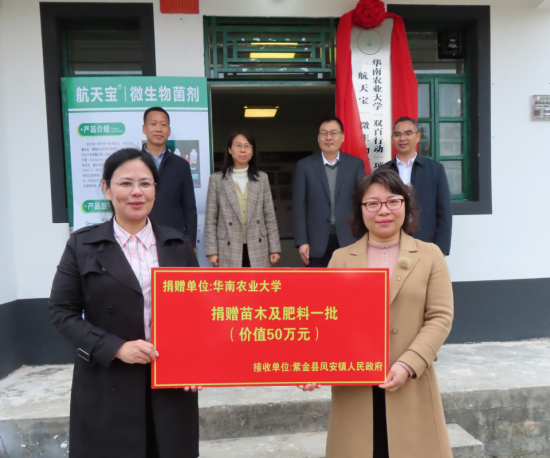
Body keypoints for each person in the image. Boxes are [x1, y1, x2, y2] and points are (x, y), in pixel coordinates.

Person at [50, 148, 201, 458]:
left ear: (155, 191)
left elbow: (198, 312)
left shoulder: (177, 245)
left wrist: (196, 364)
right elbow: (62, 312)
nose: (136, 192)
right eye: (125, 183)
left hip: (170, 383)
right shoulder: (83, 245)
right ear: (107, 188)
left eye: (146, 183)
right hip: (108, 379)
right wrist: (115, 347)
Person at [300, 169, 454, 458]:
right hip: (354, 386)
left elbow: (440, 317)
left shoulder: (430, 255)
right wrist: (313, 365)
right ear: (361, 211)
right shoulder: (341, 258)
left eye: (392, 201)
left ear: (406, 206)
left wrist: (408, 364)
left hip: (410, 383)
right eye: (372, 203)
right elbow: (326, 319)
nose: (383, 210)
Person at [293, 116, 366, 267]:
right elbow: (299, 207)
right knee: (318, 288)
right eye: (324, 133)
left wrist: (364, 236)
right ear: (318, 138)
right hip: (315, 242)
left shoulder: (355, 164)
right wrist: (302, 241)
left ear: (342, 137)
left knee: (348, 288)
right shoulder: (304, 166)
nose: (329, 138)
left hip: (349, 238)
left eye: (333, 133)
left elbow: (362, 202)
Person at [205, 131, 281, 267]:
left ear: (252, 152)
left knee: (256, 287)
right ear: (229, 150)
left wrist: (274, 248)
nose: (242, 150)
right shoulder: (217, 179)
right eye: (238, 145)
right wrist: (212, 251)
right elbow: (211, 218)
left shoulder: (262, 178)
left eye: (247, 146)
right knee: (232, 287)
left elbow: (269, 215)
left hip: (258, 246)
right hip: (228, 246)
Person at [381, 116, 452, 255]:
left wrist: (442, 249)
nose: (402, 138)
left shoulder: (435, 169)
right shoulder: (383, 171)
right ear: (392, 139)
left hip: (426, 242)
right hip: (391, 241)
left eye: (408, 133)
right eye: (397, 134)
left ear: (418, 136)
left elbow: (444, 212)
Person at [142, 106, 198, 247]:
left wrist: (190, 243)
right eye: (153, 124)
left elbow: (189, 209)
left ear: (169, 130)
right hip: (139, 237)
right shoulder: (133, 163)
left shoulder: (181, 165)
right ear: (144, 129)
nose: (158, 129)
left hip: (173, 240)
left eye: (163, 124)